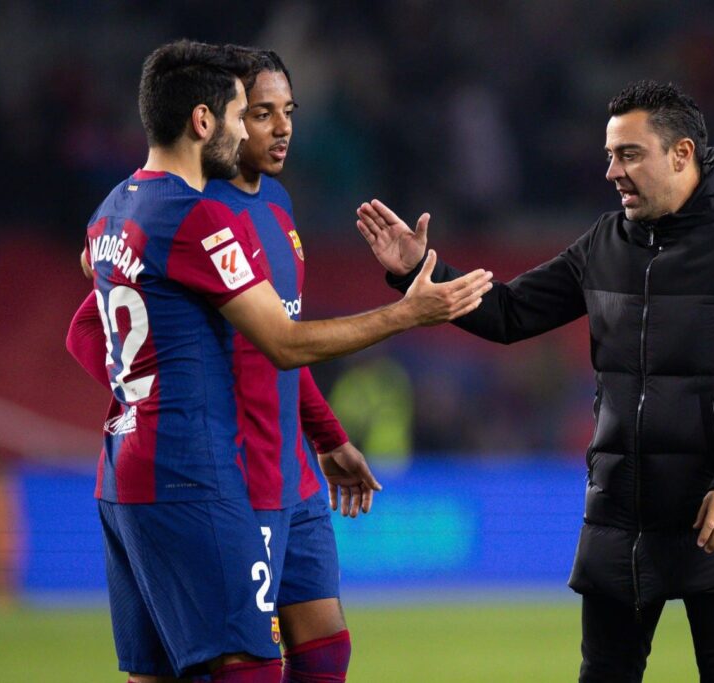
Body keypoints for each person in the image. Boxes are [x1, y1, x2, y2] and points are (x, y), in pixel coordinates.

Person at [358, 80, 714, 682]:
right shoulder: (605, 242)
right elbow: (510, 312)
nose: (611, 172)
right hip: (619, 514)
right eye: (609, 155)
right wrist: (421, 268)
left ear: (681, 155)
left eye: (628, 154)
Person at [71, 39, 492, 683]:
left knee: (323, 648)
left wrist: (325, 435)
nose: (279, 126)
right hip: (220, 468)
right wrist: (410, 312)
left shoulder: (248, 205)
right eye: (256, 112)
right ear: (211, 120)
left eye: (285, 109)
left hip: (270, 465)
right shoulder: (198, 214)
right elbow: (271, 342)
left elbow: (281, 338)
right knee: (242, 665)